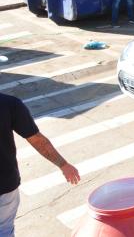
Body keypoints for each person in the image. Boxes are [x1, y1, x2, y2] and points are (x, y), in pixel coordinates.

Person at [1, 93, 81, 236]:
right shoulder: (9, 104)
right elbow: (37, 140)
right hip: (4, 187)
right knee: (4, 230)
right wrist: (63, 165)